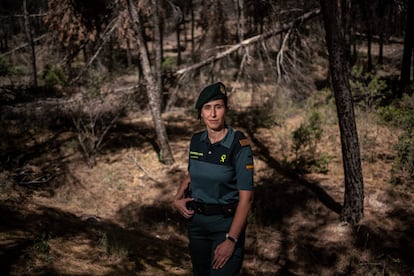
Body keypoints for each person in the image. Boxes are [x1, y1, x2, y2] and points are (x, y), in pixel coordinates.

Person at [173, 82, 254, 276]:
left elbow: (247, 198)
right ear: (200, 113)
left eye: (218, 107)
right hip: (197, 226)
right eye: (207, 108)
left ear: (226, 109)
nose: (213, 114)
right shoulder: (196, 141)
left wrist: (231, 240)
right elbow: (193, 173)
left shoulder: (239, 144)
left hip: (225, 227)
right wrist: (177, 198)